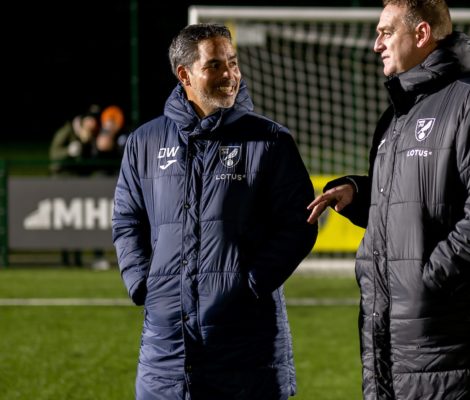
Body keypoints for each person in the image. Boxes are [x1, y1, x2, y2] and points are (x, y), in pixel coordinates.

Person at [307, 1, 470, 399]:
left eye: (386, 32)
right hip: (399, 344)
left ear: (422, 34)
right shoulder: (400, 112)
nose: (376, 44)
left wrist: (424, 281)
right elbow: (414, 203)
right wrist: (361, 195)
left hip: (455, 346)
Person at [112, 23, 317, 399]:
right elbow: (127, 218)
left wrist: (250, 284)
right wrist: (144, 281)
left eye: (233, 63)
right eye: (215, 66)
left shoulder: (270, 141)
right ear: (184, 75)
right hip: (166, 352)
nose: (230, 75)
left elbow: (299, 224)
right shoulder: (145, 141)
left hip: (247, 347)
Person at [49, 104, 102, 267]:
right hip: (63, 182)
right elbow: (53, 155)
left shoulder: (92, 137)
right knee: (65, 222)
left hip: (80, 183)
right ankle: (65, 259)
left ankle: (77, 258)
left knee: (78, 223)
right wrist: (68, 152)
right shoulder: (67, 131)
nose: (92, 125)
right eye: (90, 120)